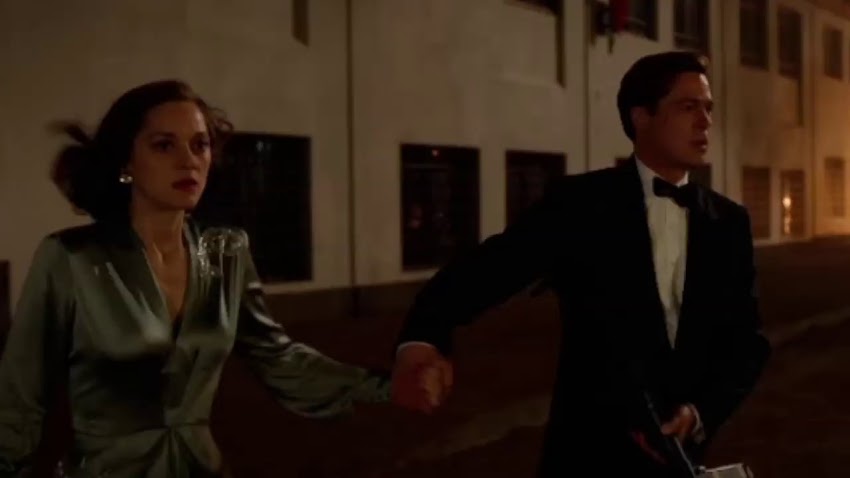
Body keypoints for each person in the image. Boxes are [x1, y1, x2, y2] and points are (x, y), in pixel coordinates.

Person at [391, 51, 772, 476]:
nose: (705, 121)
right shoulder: (581, 205)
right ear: (641, 117)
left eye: (708, 108)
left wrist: (701, 412)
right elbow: (486, 272)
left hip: (680, 461)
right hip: (586, 456)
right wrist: (422, 339)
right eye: (688, 107)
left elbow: (747, 342)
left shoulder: (728, 222)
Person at [0, 80, 390, 477]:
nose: (188, 161)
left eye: (199, 145)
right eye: (164, 145)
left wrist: (385, 386)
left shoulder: (225, 251)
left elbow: (277, 358)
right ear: (126, 162)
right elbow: (19, 394)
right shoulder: (72, 258)